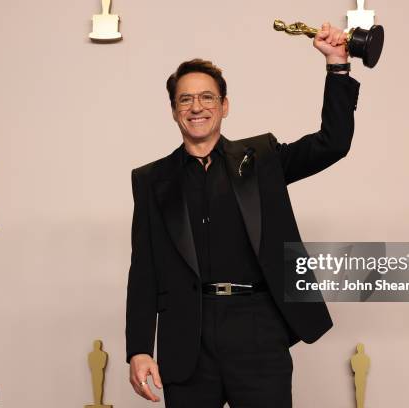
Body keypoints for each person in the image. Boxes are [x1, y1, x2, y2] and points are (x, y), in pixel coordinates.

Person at [126, 22, 360, 407]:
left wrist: (337, 65)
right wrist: (138, 348)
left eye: (206, 97)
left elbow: (332, 143)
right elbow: (144, 270)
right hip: (186, 340)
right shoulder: (151, 181)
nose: (196, 107)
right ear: (173, 111)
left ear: (225, 105)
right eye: (185, 100)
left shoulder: (262, 159)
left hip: (257, 330)